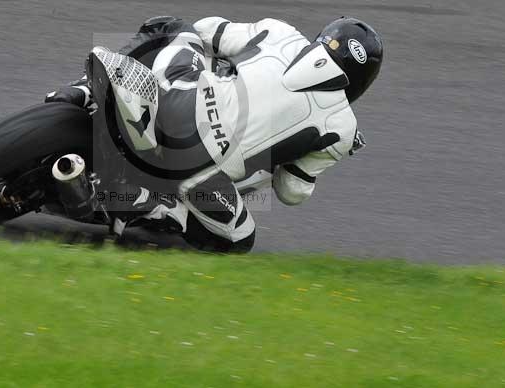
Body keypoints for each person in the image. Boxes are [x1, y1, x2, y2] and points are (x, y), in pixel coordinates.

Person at [46, 16, 383, 252]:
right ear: (362, 82)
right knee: (240, 240)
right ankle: (153, 207)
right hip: (200, 173)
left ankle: (83, 90)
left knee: (172, 26)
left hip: (175, 98)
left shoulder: (280, 33)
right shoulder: (342, 129)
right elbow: (291, 191)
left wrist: (226, 66)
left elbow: (208, 30)